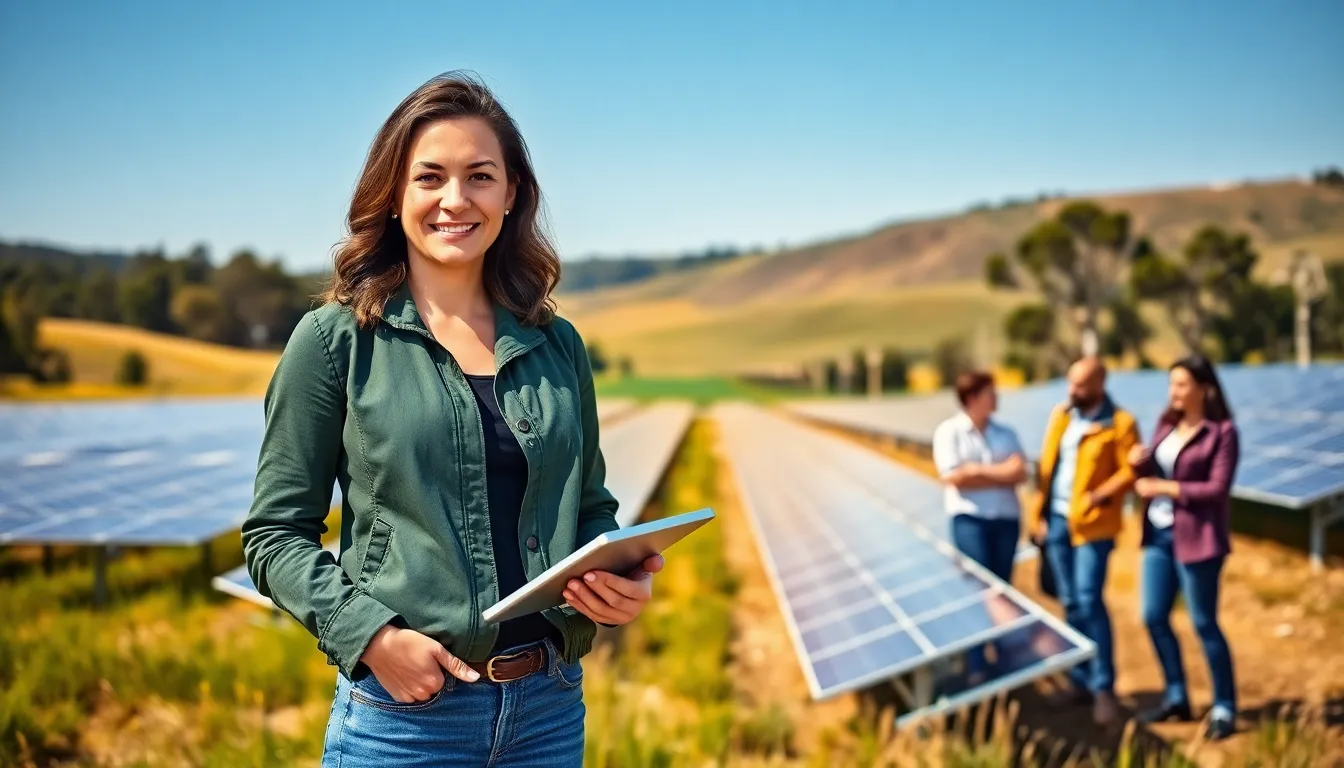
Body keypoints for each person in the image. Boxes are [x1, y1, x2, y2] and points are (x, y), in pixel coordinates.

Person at [241, 72, 663, 767]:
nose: (455, 200)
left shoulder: (557, 345)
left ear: (512, 194)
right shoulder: (333, 341)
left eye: (481, 176)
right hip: (405, 718)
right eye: (430, 177)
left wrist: (618, 579)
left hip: (549, 712)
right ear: (395, 194)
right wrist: (371, 638)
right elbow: (273, 534)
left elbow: (590, 508)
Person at [1129, 355, 1240, 741]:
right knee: (1153, 615)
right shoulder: (1166, 425)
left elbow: (1217, 489)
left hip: (1199, 540)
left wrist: (1166, 489)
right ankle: (1177, 696)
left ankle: (1224, 705)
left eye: (1180, 385)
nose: (1173, 392)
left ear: (1203, 388)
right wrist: (1137, 465)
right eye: (1171, 384)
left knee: (1203, 623)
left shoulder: (1222, 432)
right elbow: (1153, 473)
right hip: (1159, 536)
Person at [1027, 356, 1140, 726]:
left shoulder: (1121, 424)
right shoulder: (1062, 415)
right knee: (1071, 601)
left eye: (1079, 385)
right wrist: (1038, 514)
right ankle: (1079, 679)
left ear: (1099, 385)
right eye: (1070, 383)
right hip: (1057, 521)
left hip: (1094, 525)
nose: (1072, 391)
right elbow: (1048, 465)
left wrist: (1100, 494)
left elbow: (1131, 470)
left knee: (1090, 599)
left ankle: (1104, 686)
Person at [932, 370, 1028, 683]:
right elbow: (954, 477)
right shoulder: (950, 432)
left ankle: (1003, 655)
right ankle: (976, 660)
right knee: (978, 588)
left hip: (1005, 520)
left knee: (1001, 586)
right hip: (969, 520)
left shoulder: (1006, 432)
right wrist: (999, 473)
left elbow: (1019, 472)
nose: (996, 397)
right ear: (972, 398)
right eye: (990, 392)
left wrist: (978, 472)